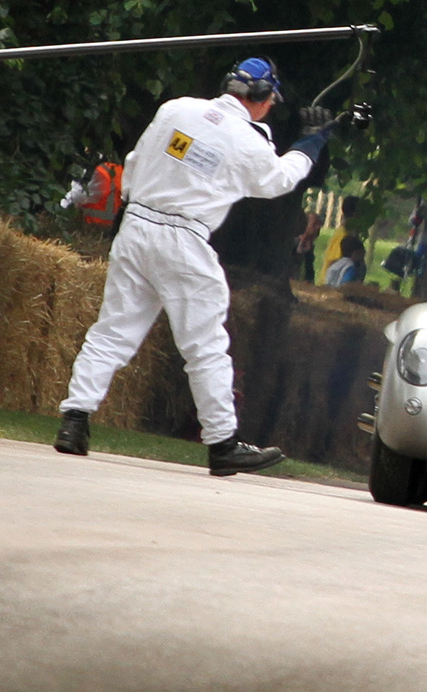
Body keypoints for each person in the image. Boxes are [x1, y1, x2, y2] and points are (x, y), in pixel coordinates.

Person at [55, 57, 344, 475]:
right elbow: (277, 180)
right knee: (205, 346)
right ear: (262, 99)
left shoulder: (175, 109)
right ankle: (223, 444)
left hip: (136, 226)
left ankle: (74, 422)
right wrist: (313, 142)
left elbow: (134, 163)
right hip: (183, 239)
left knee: (113, 331)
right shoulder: (247, 140)